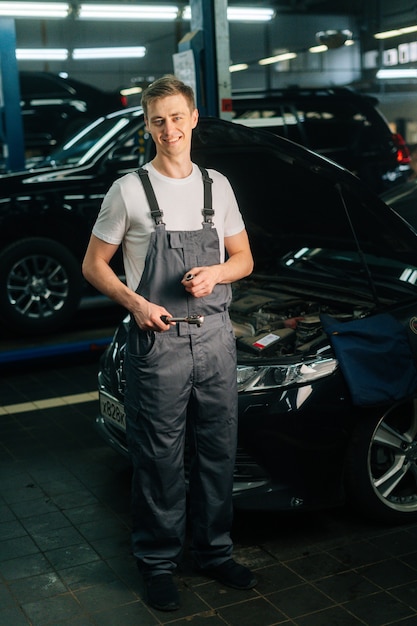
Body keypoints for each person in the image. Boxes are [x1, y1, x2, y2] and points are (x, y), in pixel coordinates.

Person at [82, 74, 255, 612]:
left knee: (218, 451)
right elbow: (93, 265)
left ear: (194, 117)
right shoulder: (129, 190)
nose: (169, 128)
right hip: (158, 346)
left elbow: (245, 259)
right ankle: (158, 562)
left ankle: (212, 550)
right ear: (147, 125)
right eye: (158, 120)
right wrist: (137, 303)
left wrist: (217, 275)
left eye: (177, 116)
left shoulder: (216, 186)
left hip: (216, 341)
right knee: (159, 458)